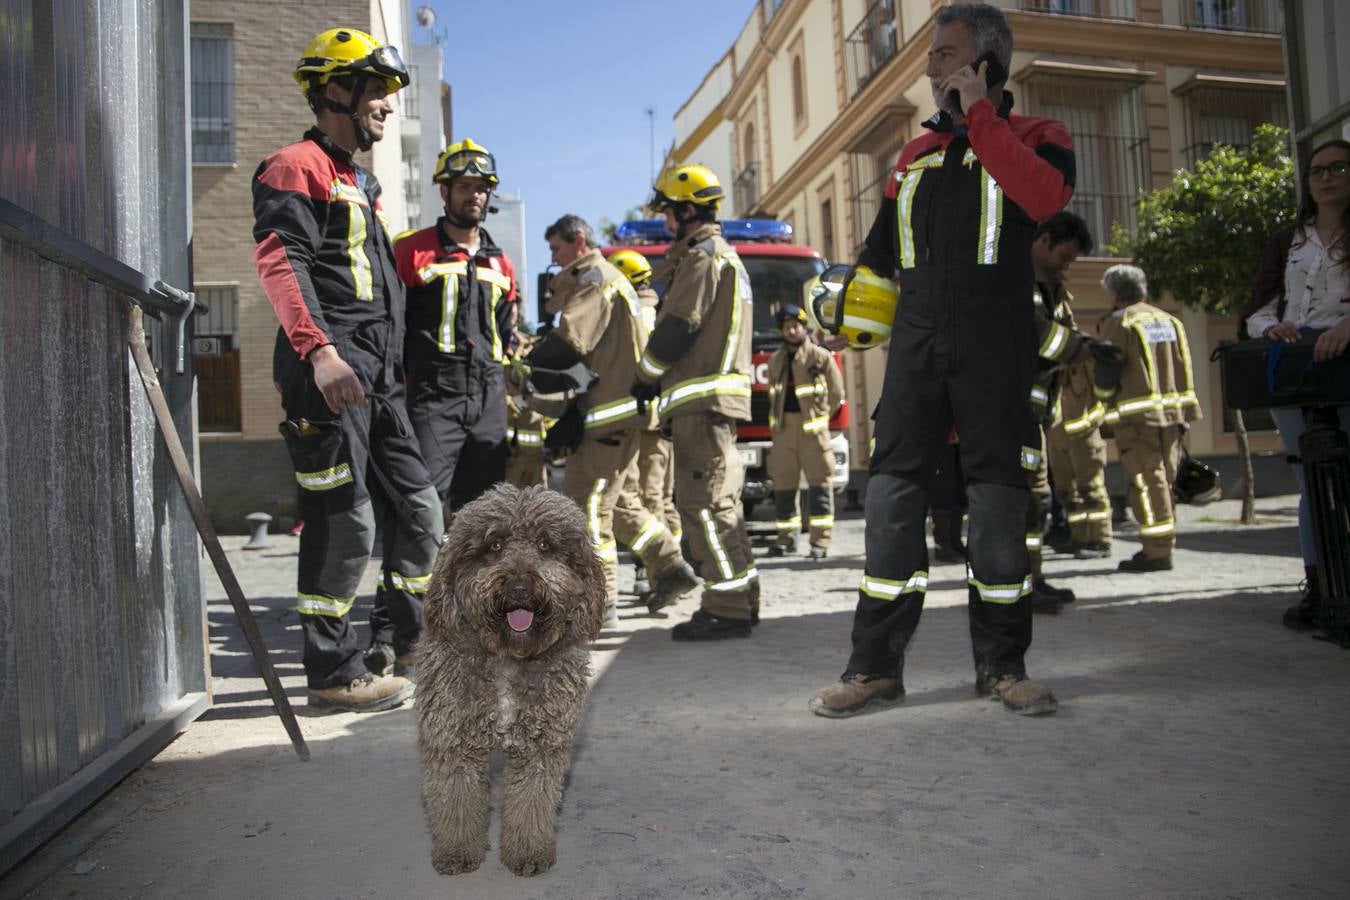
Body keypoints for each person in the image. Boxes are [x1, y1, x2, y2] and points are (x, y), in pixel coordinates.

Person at [810, 3, 1074, 718]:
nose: (928, 66)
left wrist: (982, 115)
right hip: (918, 349)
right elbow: (881, 254)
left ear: (984, 61)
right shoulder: (914, 155)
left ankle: (1003, 668)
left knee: (997, 512)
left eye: (943, 53)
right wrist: (847, 314)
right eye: (930, 55)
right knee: (892, 502)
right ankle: (875, 671)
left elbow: (1044, 198)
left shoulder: (1037, 137)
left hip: (995, 345)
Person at [253, 28, 441, 711]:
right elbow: (282, 262)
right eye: (377, 91)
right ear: (336, 90)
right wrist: (320, 350)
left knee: (421, 513)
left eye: (393, 94)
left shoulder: (356, 180)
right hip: (328, 372)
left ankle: (402, 638)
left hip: (379, 381)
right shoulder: (295, 165)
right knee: (345, 523)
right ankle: (333, 673)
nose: (388, 105)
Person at [527, 216, 697, 623]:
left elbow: (571, 340)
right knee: (620, 505)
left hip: (607, 417)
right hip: (622, 416)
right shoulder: (613, 279)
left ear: (579, 241)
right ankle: (670, 567)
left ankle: (599, 602)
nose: (553, 258)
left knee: (586, 507)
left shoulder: (595, 277)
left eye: (556, 249)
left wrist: (526, 364)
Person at [632, 164, 759, 640]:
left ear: (687, 210)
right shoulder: (725, 257)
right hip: (713, 403)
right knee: (723, 506)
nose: (665, 221)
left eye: (668, 211)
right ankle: (743, 596)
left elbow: (679, 325)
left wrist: (645, 375)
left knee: (703, 506)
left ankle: (726, 607)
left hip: (701, 404)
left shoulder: (703, 257)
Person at [1245, 139, 1350, 629]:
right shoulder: (1287, 239)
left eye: (1338, 168)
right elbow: (1259, 307)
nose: (1326, 176)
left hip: (1347, 360)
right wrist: (1272, 328)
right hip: (1297, 366)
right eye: (1316, 170)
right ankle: (1319, 587)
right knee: (1309, 481)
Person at [394, 138, 516, 518]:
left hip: (490, 397)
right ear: (444, 190)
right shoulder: (412, 251)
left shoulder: (502, 265)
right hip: (433, 395)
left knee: (486, 513)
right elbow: (391, 330)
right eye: (464, 187)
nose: (474, 196)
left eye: (481, 188)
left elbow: (505, 332)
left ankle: (473, 580)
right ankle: (412, 579)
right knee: (424, 506)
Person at [1095, 264, 1201, 572]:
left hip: (1137, 419)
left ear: (1114, 294)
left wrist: (1102, 399)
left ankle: (1156, 552)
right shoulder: (1169, 320)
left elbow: (1107, 368)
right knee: (1165, 481)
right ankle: (1163, 546)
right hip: (1173, 417)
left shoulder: (1122, 322)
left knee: (1145, 481)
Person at [1024, 211, 1095, 613]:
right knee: (1024, 500)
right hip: (1013, 413)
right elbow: (1026, 333)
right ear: (1043, 241)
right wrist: (1073, 348)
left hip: (1036, 414)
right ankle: (1018, 583)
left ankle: (1032, 578)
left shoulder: (1052, 287)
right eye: (1064, 256)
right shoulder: (1015, 281)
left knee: (1036, 499)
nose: (1067, 266)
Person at [611, 249, 683, 597]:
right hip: (662, 418)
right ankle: (670, 566)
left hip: (643, 419)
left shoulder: (634, 312)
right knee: (663, 498)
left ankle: (658, 571)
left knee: (645, 499)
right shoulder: (661, 310)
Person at [764, 304, 845, 560]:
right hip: (783, 430)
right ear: (782, 330)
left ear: (803, 327)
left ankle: (820, 542)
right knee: (784, 487)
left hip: (813, 431)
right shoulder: (775, 360)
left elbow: (837, 392)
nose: (792, 330)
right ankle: (785, 539)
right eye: (787, 327)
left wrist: (820, 418)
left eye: (796, 325)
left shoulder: (819, 357)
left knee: (820, 486)